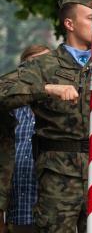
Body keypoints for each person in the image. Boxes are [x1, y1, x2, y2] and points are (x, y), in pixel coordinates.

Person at [0, 0, 92, 232]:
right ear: (70, 23)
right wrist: (47, 88)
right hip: (57, 177)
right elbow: (4, 92)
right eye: (90, 18)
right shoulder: (44, 65)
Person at [0, 45, 51, 233]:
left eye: (44, 64)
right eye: (32, 66)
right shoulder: (9, 112)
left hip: (52, 212)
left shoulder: (60, 109)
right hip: (16, 211)